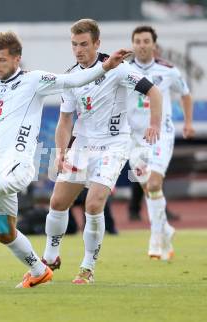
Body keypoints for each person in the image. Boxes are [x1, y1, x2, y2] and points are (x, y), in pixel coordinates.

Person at [0, 30, 130, 288]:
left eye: (2, 60)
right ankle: (39, 270)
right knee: (4, 233)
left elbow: (73, 81)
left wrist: (106, 67)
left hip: (18, 167)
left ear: (16, 59)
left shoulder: (35, 81)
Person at [42, 19, 162, 284]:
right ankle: (50, 258)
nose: (78, 50)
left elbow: (153, 92)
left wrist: (154, 123)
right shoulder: (72, 76)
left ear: (97, 43)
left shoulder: (118, 69)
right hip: (82, 144)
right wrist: (61, 151)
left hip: (113, 145)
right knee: (57, 203)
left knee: (94, 204)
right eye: (74, 44)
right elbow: (65, 120)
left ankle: (87, 267)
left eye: (84, 44)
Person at [128, 25, 195, 260]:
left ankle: (155, 238)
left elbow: (186, 94)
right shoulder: (123, 70)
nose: (142, 45)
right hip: (133, 139)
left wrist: (187, 122)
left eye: (146, 41)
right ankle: (165, 228)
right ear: (133, 44)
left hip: (161, 134)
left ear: (154, 45)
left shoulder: (168, 71)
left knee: (154, 184)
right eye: (138, 41)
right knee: (148, 188)